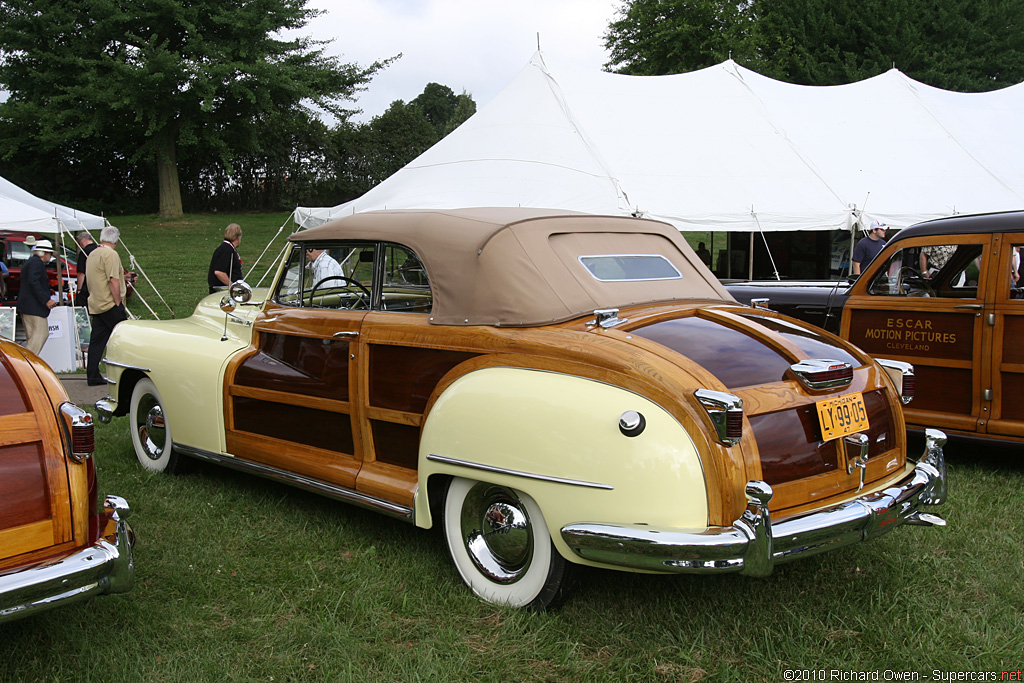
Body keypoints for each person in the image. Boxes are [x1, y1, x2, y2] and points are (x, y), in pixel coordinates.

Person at [86, 226, 129, 386]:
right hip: (109, 303)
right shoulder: (111, 254)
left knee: (97, 340)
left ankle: (92, 374)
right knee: (123, 337)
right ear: (116, 240)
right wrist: (118, 303)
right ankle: (127, 372)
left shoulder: (93, 253)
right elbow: (113, 280)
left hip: (96, 302)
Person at [16, 240, 57, 355]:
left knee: (33, 337)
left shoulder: (31, 262)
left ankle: (27, 362)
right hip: (34, 306)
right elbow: (34, 282)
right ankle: (27, 361)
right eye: (49, 253)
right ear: (43, 253)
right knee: (41, 334)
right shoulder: (36, 263)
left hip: (27, 306)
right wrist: (46, 299)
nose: (50, 256)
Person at [208, 223, 243, 293]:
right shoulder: (226, 249)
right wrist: (233, 287)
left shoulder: (227, 248)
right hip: (223, 292)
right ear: (238, 237)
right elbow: (219, 272)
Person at [74, 231, 98, 306]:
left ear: (83, 240)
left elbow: (81, 272)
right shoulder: (99, 249)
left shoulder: (84, 253)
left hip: (87, 285)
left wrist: (79, 289)